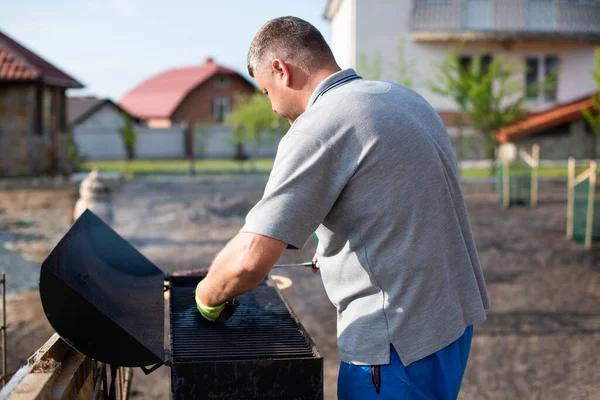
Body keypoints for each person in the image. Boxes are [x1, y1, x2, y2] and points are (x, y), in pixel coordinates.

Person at [195, 16, 490, 399]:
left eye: (265, 91)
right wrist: (341, 253)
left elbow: (251, 260)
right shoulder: (401, 97)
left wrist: (206, 297)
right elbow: (403, 201)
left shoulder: (319, 125)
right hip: (451, 321)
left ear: (280, 71)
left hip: (395, 347)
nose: (270, 107)